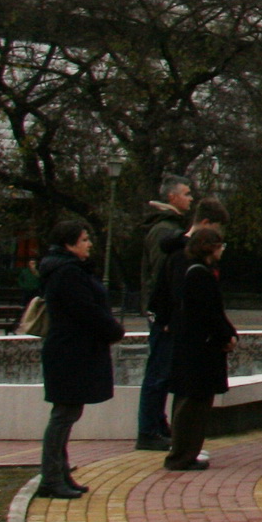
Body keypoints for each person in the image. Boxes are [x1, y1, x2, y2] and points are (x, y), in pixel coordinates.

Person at [34, 220, 123, 501]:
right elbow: (85, 310)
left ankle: (59, 473)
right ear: (69, 244)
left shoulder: (66, 270)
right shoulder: (67, 273)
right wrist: (112, 329)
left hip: (72, 350)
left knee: (67, 413)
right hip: (70, 352)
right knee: (63, 415)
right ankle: (51, 477)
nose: (89, 244)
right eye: (84, 239)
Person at [163, 225, 236, 471]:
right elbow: (210, 313)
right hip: (200, 352)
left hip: (193, 349)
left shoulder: (192, 271)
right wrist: (227, 335)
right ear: (210, 248)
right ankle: (184, 454)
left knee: (190, 404)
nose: (222, 251)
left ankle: (184, 452)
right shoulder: (200, 275)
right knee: (194, 406)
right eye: (220, 246)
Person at [132, 176, 194, 453]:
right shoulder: (163, 231)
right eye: (186, 193)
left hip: (162, 313)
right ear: (172, 197)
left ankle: (157, 425)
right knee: (157, 372)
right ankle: (149, 430)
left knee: (161, 371)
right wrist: (165, 314)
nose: (190, 198)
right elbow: (161, 276)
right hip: (163, 315)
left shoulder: (168, 228)